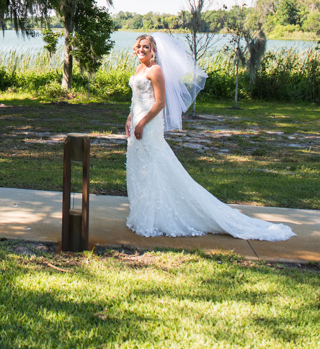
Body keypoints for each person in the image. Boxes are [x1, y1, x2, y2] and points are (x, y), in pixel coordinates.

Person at [125, 33, 294, 241]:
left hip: (149, 125)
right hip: (137, 121)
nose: (141, 50)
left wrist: (142, 123)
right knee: (139, 168)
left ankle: (156, 216)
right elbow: (138, 98)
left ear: (154, 50)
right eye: (139, 46)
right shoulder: (139, 68)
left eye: (146, 47)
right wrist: (131, 117)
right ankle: (142, 213)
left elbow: (160, 103)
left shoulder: (155, 70)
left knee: (153, 167)